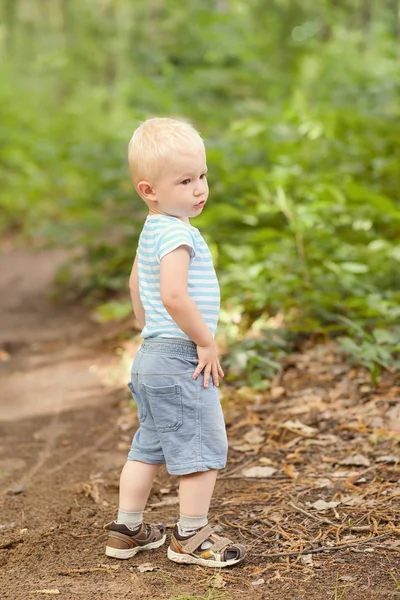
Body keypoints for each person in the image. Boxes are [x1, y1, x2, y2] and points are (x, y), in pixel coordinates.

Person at [105, 117, 246, 568]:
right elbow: (173, 294)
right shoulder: (178, 233)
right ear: (150, 190)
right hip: (180, 356)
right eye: (185, 181)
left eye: (202, 176)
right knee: (202, 448)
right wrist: (204, 341)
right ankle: (191, 535)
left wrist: (150, 330)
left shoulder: (153, 230)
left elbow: (136, 286)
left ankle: (128, 529)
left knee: (150, 443)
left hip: (151, 357)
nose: (199, 188)